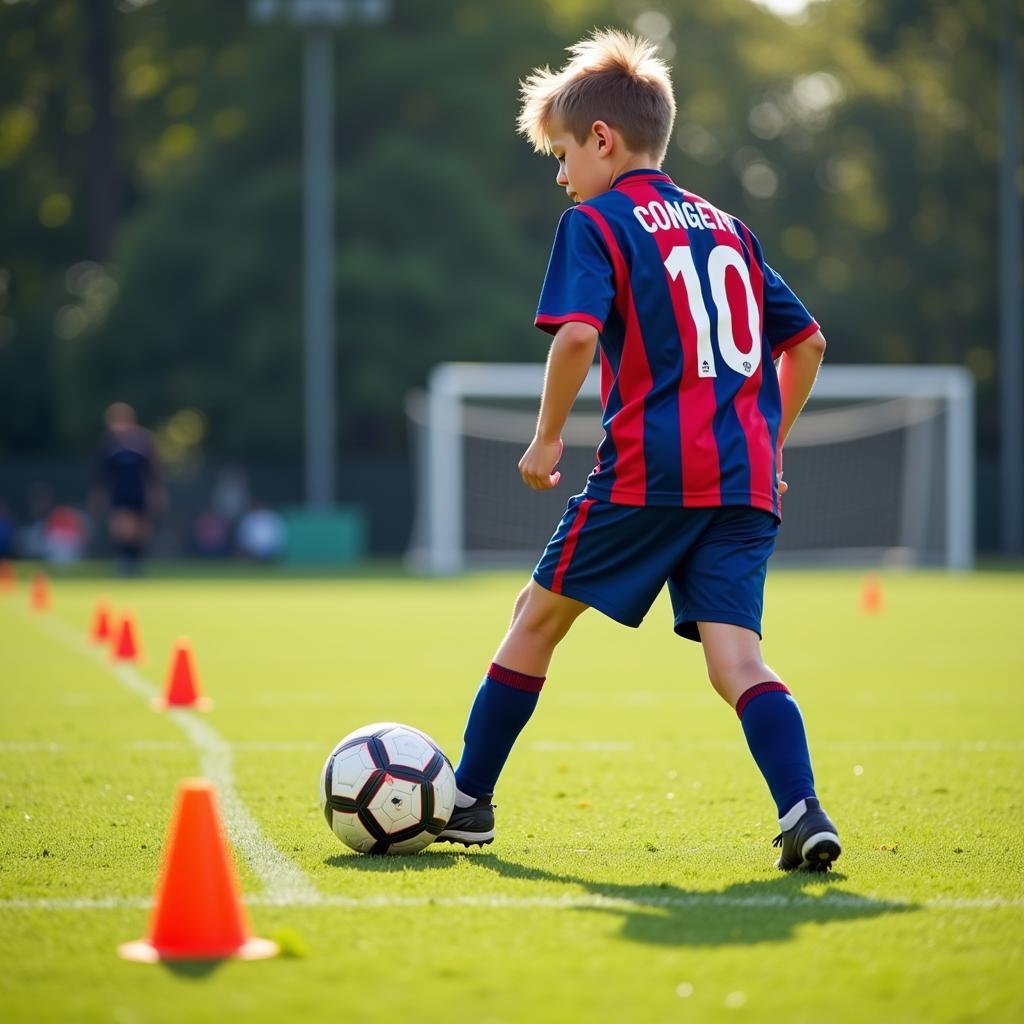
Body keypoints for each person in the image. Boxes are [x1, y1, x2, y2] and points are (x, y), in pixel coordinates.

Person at [438, 30, 840, 872]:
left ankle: (469, 801)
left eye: (560, 155)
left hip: (651, 473)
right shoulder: (730, 228)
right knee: (737, 660)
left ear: (602, 140)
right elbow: (806, 346)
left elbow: (579, 335)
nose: (559, 176)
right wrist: (771, 446)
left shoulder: (597, 221)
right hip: (743, 484)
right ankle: (803, 810)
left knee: (535, 618)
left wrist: (547, 435)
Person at [91, 402, 164, 576]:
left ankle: (136, 562)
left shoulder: (143, 439)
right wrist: (99, 494)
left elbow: (153, 470)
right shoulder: (108, 442)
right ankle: (125, 561)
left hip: (139, 491)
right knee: (122, 528)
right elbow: (101, 473)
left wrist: (156, 492)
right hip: (119, 492)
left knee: (139, 530)